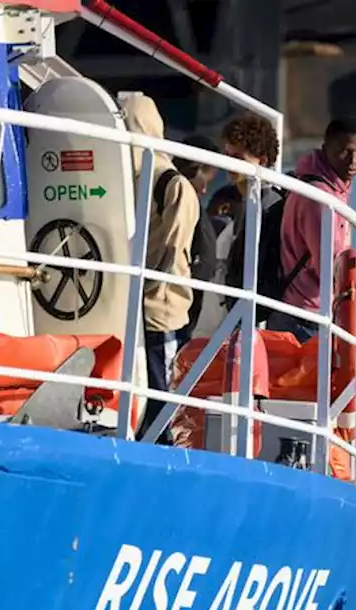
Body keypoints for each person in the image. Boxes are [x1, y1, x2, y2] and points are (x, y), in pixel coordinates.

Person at [122, 93, 200, 444]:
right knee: (149, 388)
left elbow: (172, 246)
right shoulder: (137, 179)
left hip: (159, 307)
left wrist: (144, 286)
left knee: (163, 390)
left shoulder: (170, 184)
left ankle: (164, 449)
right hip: (142, 304)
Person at [270, 117, 356, 342]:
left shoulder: (330, 187)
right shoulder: (319, 198)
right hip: (302, 315)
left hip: (302, 309)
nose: (353, 161)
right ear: (326, 150)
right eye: (344, 151)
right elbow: (330, 265)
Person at [170, 134, 232, 343]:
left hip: (189, 302)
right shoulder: (180, 199)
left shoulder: (188, 201)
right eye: (205, 178)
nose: (205, 189)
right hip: (181, 301)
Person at [216, 113, 282, 301]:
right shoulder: (239, 199)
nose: (229, 164)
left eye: (237, 158)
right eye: (227, 155)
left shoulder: (270, 205)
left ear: (261, 161)